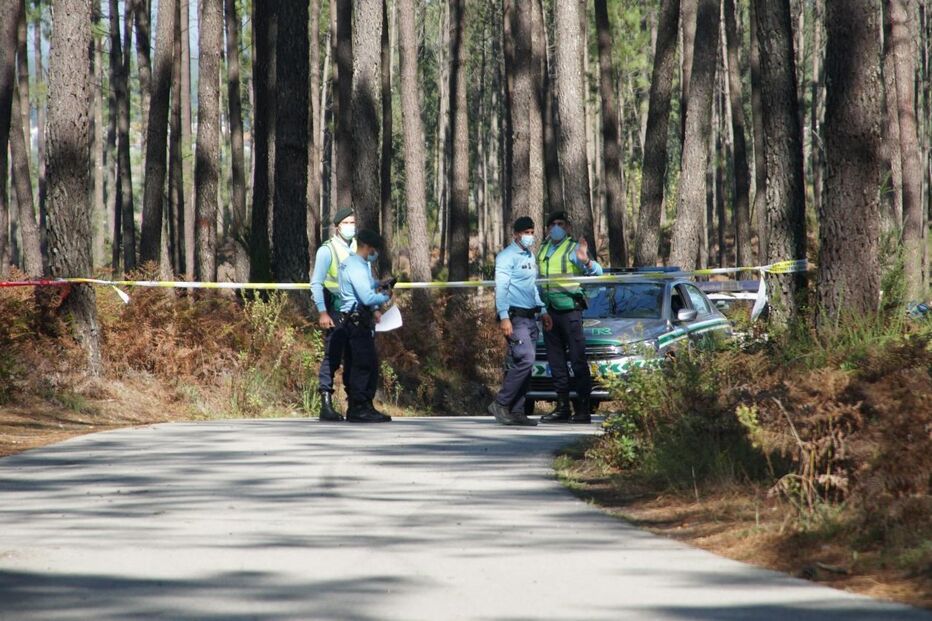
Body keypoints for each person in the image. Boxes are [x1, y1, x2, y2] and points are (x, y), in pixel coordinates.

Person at [536, 211, 603, 424]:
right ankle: (562, 407)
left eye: (561, 224)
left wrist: (588, 262)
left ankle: (583, 409)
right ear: (547, 229)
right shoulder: (543, 249)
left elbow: (598, 273)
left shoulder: (574, 248)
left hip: (571, 311)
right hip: (549, 312)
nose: (556, 227)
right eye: (553, 224)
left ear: (567, 228)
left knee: (577, 360)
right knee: (556, 363)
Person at [487, 217, 553, 427]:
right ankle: (501, 403)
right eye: (525, 232)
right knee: (525, 358)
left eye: (532, 231)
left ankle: (517, 410)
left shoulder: (529, 255)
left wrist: (542, 309)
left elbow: (531, 286)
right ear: (515, 234)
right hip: (515, 318)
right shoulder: (506, 257)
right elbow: (502, 287)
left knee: (524, 363)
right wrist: (504, 316)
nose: (529, 236)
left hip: (531, 316)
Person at [338, 229, 393, 423]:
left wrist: (380, 283)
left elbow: (366, 285)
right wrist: (385, 296)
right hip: (357, 322)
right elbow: (367, 296)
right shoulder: (357, 266)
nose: (375, 253)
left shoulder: (353, 264)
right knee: (364, 364)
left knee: (356, 364)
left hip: (352, 321)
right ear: (368, 247)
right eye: (374, 249)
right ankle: (360, 407)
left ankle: (361, 405)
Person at [310, 208, 358, 421]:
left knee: (355, 358)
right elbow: (317, 283)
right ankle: (326, 405)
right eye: (347, 222)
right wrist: (322, 312)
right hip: (335, 310)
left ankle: (355, 403)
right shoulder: (326, 251)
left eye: (353, 222)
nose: (351, 226)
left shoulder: (357, 247)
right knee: (332, 357)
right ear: (337, 226)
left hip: (356, 312)